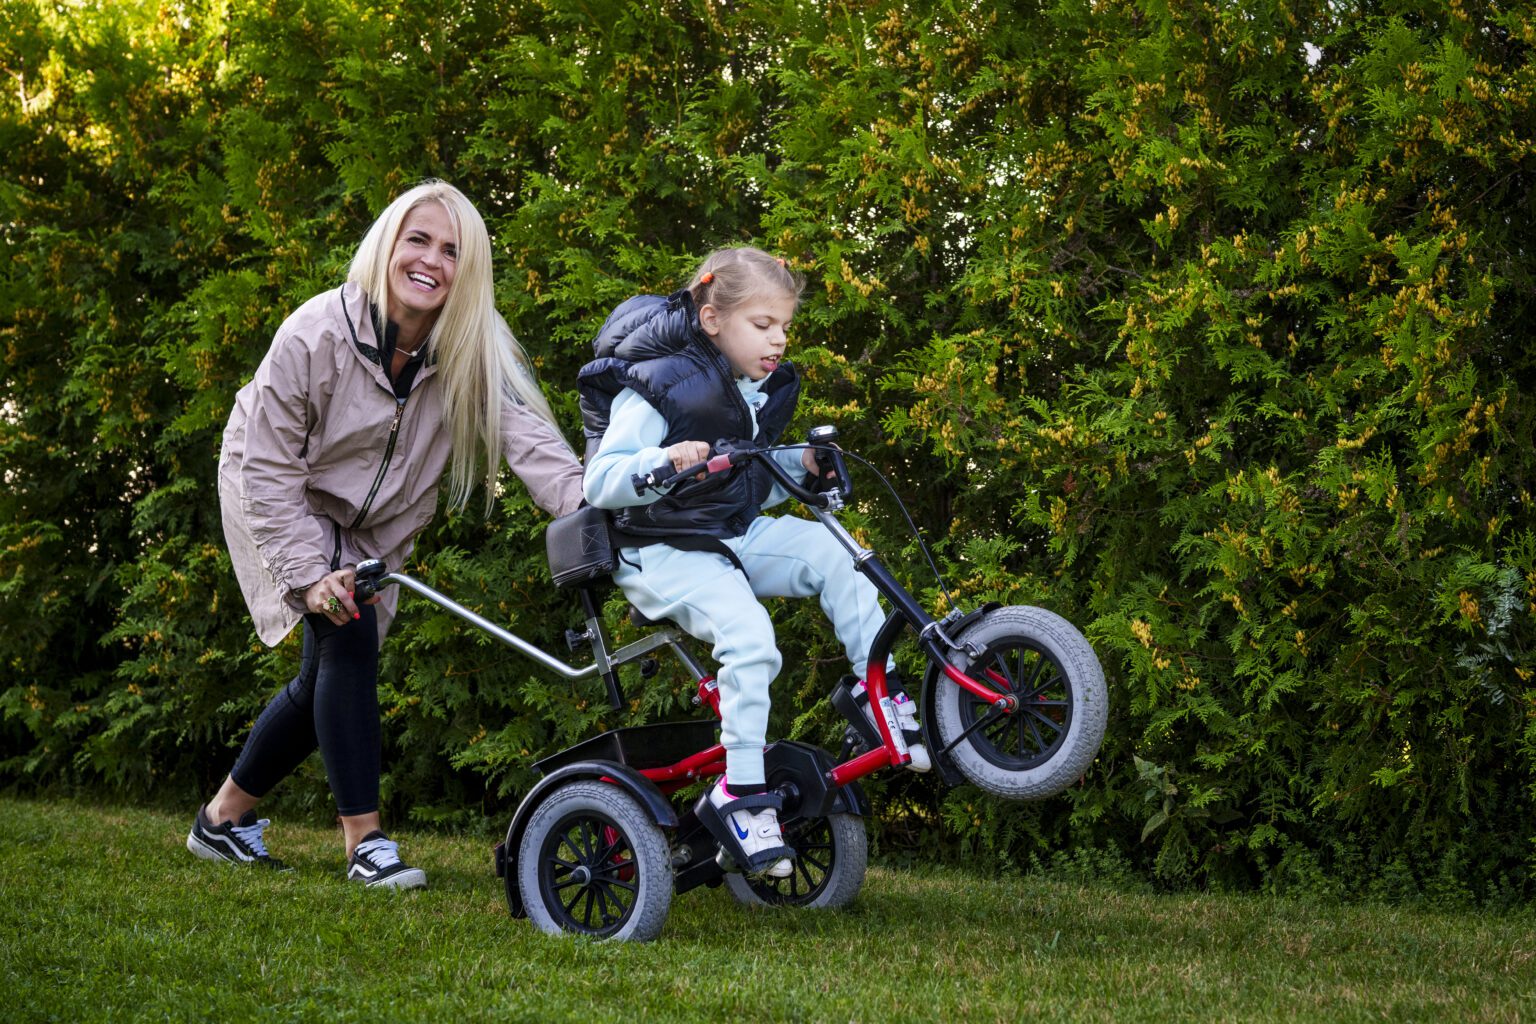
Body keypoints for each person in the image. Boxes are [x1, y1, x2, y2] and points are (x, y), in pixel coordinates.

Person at [187, 180, 585, 889]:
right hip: (278, 490)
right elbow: (270, 469)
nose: (431, 260)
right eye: (418, 240)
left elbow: (529, 440)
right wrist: (309, 575)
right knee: (348, 635)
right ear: (387, 244)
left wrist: (591, 506)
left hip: (376, 519)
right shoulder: (314, 333)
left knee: (324, 674)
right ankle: (364, 844)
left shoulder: (470, 347)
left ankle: (221, 820)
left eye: (452, 251)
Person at [578, 246, 929, 879]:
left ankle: (876, 692)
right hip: (658, 547)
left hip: (726, 532)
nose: (778, 339)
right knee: (750, 640)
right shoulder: (659, 383)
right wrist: (662, 462)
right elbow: (600, 482)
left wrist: (801, 465)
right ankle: (740, 792)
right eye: (763, 324)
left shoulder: (752, 390)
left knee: (836, 554)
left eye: (785, 326)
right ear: (712, 319)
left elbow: (748, 484)